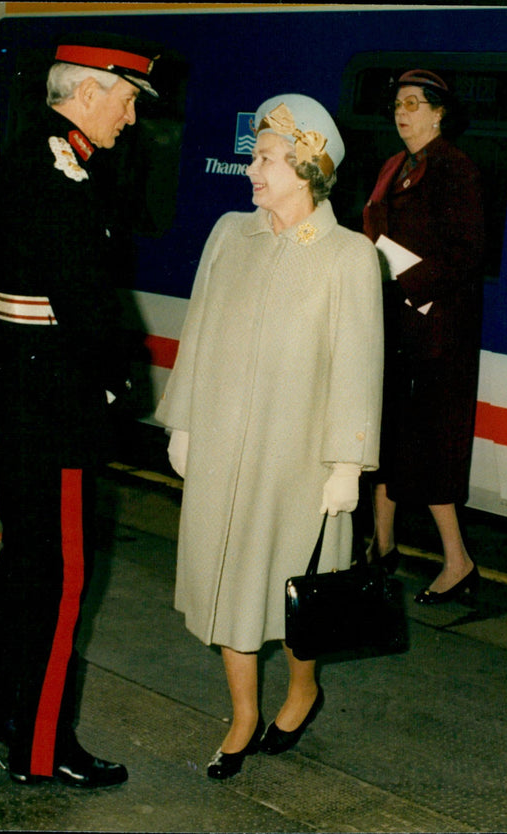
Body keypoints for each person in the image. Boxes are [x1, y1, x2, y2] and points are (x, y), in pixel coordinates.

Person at [0, 33, 161, 787]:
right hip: (55, 407)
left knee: (23, 566)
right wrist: (116, 383)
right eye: (129, 100)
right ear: (91, 90)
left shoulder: (30, 157)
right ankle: (41, 750)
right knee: (62, 579)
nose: (131, 118)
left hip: (16, 396)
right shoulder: (65, 175)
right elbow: (84, 304)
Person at [155, 94, 383, 779]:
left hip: (298, 460)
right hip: (223, 447)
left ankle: (304, 687)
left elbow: (358, 363)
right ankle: (243, 713)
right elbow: (197, 333)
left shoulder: (349, 257)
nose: (251, 170)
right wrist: (185, 421)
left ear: (308, 168)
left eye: (265, 158)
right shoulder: (231, 234)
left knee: (292, 584)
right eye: (255, 156)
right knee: (226, 580)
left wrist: (348, 461)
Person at [362, 69, 485, 603]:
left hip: (438, 330)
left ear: (439, 113)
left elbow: (467, 252)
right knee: (386, 432)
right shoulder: (395, 166)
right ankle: (382, 545)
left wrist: (410, 284)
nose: (402, 112)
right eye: (397, 104)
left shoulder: (456, 168)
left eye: (414, 104)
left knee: (432, 446)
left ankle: (458, 562)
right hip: (395, 323)